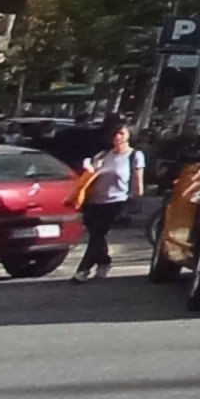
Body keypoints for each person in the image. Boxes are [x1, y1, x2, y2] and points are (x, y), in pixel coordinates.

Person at [74, 121, 143, 282]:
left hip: (117, 201)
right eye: (115, 133)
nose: (117, 137)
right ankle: (104, 261)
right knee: (96, 235)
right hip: (94, 201)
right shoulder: (103, 155)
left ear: (129, 136)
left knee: (98, 234)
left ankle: (83, 269)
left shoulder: (135, 156)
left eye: (121, 133)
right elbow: (90, 176)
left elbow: (137, 180)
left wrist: (136, 198)